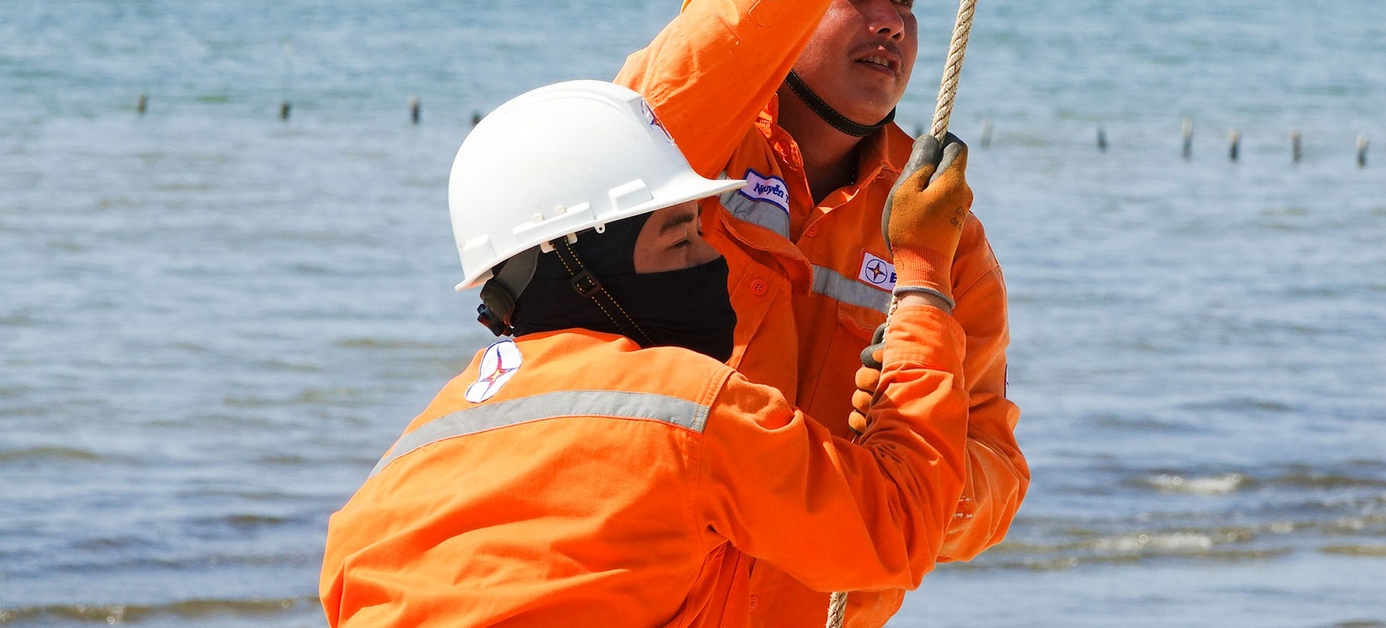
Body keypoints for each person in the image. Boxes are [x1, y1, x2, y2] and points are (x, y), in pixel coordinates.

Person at [617, 0, 1072, 627]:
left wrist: (913, 460)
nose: (890, 20)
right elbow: (750, 5)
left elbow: (993, 475)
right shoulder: (664, 146)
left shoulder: (938, 229)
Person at [319, 79, 979, 628]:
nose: (710, 259)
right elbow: (895, 525)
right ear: (584, 267)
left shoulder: (397, 469)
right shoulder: (683, 409)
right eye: (678, 238)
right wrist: (922, 277)